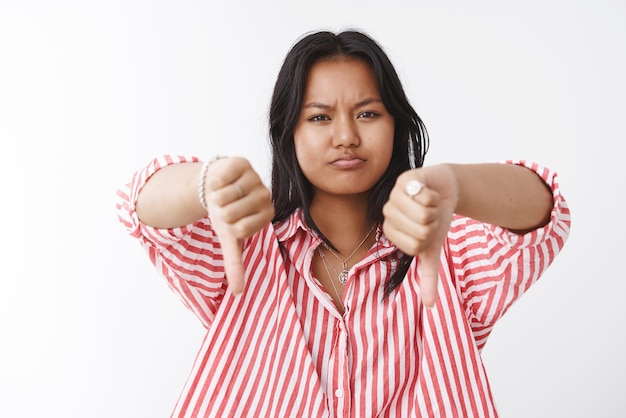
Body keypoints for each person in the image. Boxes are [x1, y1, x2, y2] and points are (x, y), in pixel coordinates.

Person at [116, 29, 570, 417]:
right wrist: (206, 181)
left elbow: (545, 216)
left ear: (397, 126)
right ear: (288, 133)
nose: (347, 136)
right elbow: (140, 208)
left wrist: (458, 185)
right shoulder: (246, 250)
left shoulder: (444, 251)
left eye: (368, 113)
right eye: (319, 117)